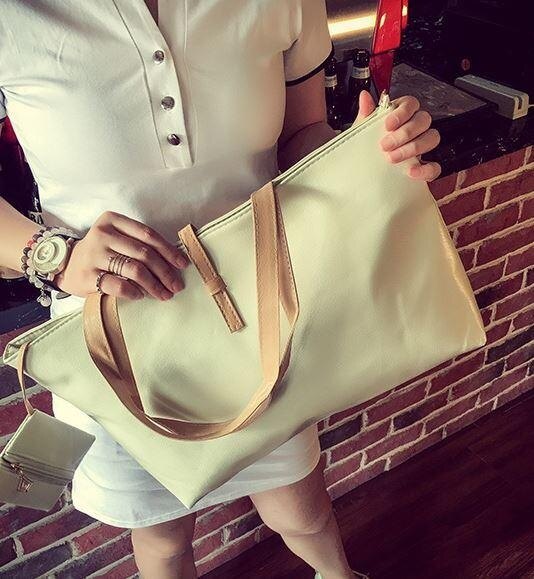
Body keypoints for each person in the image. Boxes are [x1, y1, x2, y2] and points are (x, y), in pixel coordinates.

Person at [0, 1, 441, 577]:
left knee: (301, 508)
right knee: (163, 539)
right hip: (116, 344)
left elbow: (300, 133)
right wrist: (51, 254)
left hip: (261, 314)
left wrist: (361, 153)